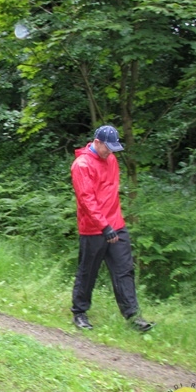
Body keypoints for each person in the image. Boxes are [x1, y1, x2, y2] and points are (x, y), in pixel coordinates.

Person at [70, 125, 155, 332]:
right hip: (93, 228)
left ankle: (133, 316)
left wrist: (112, 224)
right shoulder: (81, 165)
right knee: (87, 272)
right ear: (96, 142)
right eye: (107, 147)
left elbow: (111, 195)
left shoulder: (111, 160)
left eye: (113, 148)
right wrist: (103, 226)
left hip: (116, 224)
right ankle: (79, 312)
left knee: (124, 269)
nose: (110, 152)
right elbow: (87, 200)